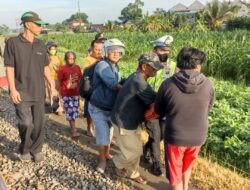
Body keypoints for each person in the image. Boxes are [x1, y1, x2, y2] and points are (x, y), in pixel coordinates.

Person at [155, 47, 215, 190]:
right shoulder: (208, 84)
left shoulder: (168, 84)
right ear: (198, 65)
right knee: (187, 165)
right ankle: (185, 187)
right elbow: (208, 108)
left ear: (179, 63)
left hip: (176, 137)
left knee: (175, 172)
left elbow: (159, 110)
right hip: (198, 137)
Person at [4, 11, 56, 162]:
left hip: (39, 92)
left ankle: (36, 149)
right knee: (26, 123)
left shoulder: (40, 44)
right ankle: (25, 149)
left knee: (39, 123)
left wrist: (52, 86)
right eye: (37, 24)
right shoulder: (13, 43)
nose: (40, 27)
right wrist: (12, 89)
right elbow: (9, 67)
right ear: (27, 24)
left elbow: (45, 67)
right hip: (21, 91)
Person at [110, 52, 163, 184]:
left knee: (135, 150)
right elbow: (157, 100)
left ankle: (132, 173)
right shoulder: (139, 82)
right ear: (144, 67)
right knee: (133, 152)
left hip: (131, 120)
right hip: (124, 122)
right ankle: (116, 163)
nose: (156, 70)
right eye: (153, 67)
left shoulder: (136, 76)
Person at [143, 35, 178, 176]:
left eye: (167, 50)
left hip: (165, 107)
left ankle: (146, 149)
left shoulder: (174, 65)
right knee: (156, 135)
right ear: (155, 50)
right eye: (162, 49)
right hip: (150, 106)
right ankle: (156, 164)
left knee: (161, 135)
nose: (165, 52)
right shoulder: (147, 62)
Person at [88, 38, 124, 174]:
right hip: (98, 107)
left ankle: (107, 154)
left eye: (119, 52)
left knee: (109, 133)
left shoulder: (116, 66)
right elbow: (113, 85)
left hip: (110, 107)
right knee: (103, 134)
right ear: (106, 52)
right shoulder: (102, 65)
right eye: (112, 51)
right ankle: (102, 160)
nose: (116, 54)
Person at [57, 51, 82, 137]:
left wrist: (79, 88)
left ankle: (72, 126)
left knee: (75, 111)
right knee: (70, 111)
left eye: (73, 59)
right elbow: (59, 82)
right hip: (66, 94)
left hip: (75, 93)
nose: (71, 60)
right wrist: (59, 95)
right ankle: (73, 130)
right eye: (69, 58)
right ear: (65, 59)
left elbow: (80, 79)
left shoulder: (78, 68)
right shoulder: (62, 69)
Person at [82, 39, 103, 137]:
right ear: (92, 49)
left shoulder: (104, 59)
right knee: (89, 111)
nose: (99, 51)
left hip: (102, 89)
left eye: (101, 49)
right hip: (91, 90)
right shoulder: (88, 60)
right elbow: (86, 72)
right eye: (97, 49)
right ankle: (89, 127)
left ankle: (102, 131)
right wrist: (98, 62)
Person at [45, 40, 64, 115]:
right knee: (51, 93)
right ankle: (54, 108)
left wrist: (58, 70)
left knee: (59, 93)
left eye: (54, 49)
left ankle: (59, 108)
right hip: (50, 78)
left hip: (58, 78)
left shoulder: (59, 58)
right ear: (48, 49)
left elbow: (63, 68)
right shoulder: (46, 58)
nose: (53, 50)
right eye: (51, 49)